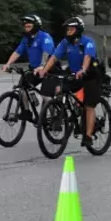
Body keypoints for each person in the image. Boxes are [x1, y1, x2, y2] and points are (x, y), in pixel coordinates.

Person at [36, 16, 102, 148]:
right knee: (59, 89)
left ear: (78, 30)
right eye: (67, 29)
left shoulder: (87, 42)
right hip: (73, 74)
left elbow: (87, 57)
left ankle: (88, 136)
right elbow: (54, 57)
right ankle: (66, 114)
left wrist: (83, 70)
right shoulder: (65, 42)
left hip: (90, 75)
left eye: (71, 29)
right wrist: (44, 70)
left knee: (89, 106)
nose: (68, 31)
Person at [2, 14, 56, 116]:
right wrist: (8, 64)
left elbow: (46, 53)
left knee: (45, 94)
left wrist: (42, 66)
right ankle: (26, 111)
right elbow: (17, 52)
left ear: (35, 26)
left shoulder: (45, 37)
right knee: (22, 87)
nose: (26, 29)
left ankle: (55, 115)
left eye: (29, 26)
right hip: (34, 69)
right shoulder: (26, 39)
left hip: (49, 69)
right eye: (25, 27)